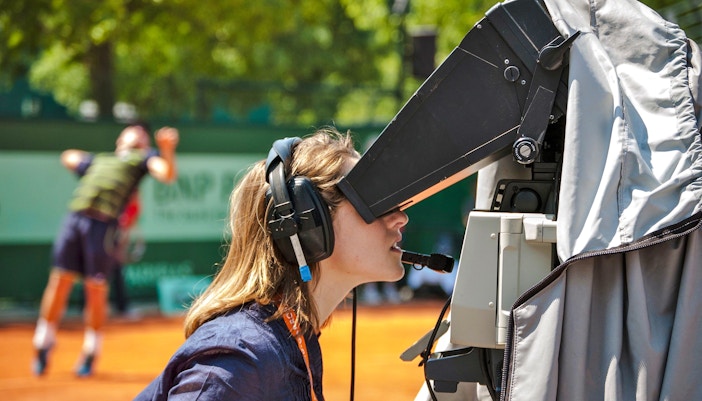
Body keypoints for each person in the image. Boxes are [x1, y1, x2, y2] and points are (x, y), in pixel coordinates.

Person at [134, 127, 409, 400]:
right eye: (372, 202)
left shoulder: (291, 341)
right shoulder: (242, 360)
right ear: (307, 223)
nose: (400, 218)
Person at [32, 123, 179, 377]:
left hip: (103, 227)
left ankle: (91, 351)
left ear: (145, 144)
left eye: (142, 133)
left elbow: (166, 174)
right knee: (59, 280)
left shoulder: (145, 158)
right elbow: (67, 156)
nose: (137, 132)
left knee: (95, 288)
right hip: (74, 219)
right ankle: (43, 342)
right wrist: (89, 161)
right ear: (120, 139)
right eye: (131, 130)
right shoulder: (100, 161)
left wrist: (166, 149)